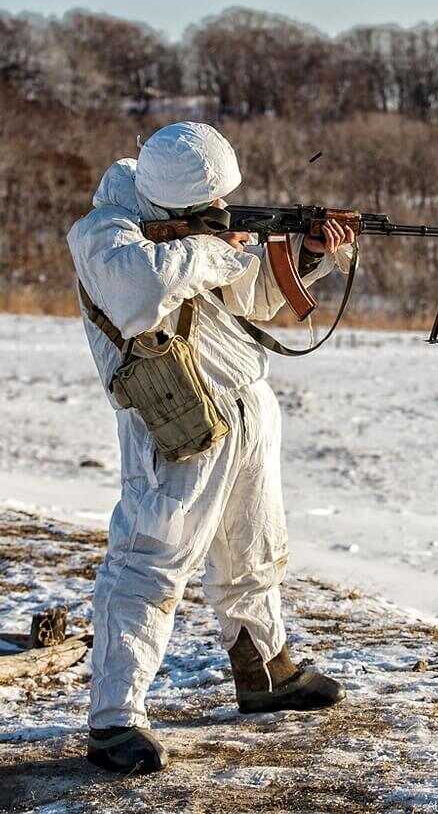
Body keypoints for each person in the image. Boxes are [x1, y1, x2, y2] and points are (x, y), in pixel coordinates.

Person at [67, 121, 354, 774]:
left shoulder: (194, 233)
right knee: (150, 562)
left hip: (247, 409)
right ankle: (116, 717)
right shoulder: (105, 236)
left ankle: (266, 669)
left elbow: (255, 298)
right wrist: (216, 247)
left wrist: (306, 253)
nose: (224, 212)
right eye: (211, 207)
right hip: (176, 425)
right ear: (178, 206)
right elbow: (142, 291)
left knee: (253, 551)